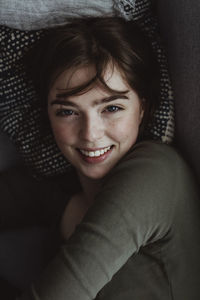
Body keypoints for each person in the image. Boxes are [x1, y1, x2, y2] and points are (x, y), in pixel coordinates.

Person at [2, 17, 200, 300]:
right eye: (67, 112)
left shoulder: (157, 172)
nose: (90, 134)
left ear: (141, 108)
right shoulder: (57, 194)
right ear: (47, 114)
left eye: (112, 108)